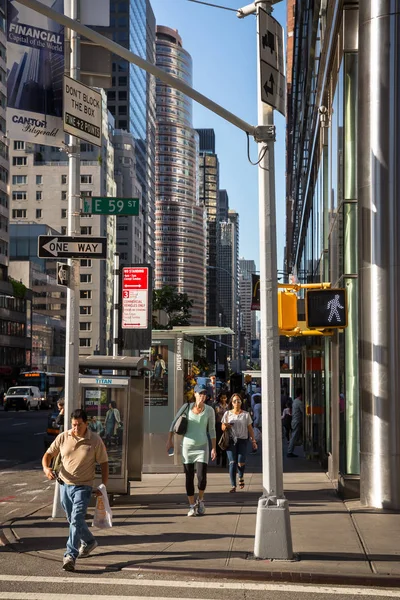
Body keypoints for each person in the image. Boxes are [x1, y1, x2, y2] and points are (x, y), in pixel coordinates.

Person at [42, 408, 109, 572]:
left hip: (83, 486)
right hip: (64, 484)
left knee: (77, 517)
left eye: (79, 425)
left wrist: (103, 485)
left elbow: (104, 463)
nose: (76, 428)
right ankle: (89, 541)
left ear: (86, 424)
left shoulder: (94, 440)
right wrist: (46, 468)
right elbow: (48, 454)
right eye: (73, 424)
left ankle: (70, 555)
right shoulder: (64, 436)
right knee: (73, 519)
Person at [166, 383, 216, 517]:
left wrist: (214, 448)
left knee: (201, 477)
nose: (203, 396)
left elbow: (211, 430)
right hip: (187, 447)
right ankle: (191, 505)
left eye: (205, 394)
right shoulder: (186, 407)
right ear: (195, 394)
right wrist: (169, 440)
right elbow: (173, 422)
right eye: (200, 393)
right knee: (189, 477)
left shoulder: (209, 410)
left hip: (202, 447)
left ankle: (201, 500)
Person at [222, 394, 257, 492]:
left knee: (241, 462)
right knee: (232, 462)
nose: (236, 403)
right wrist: (226, 425)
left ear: (241, 402)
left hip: (242, 440)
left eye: (238, 401)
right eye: (234, 401)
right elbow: (222, 428)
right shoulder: (228, 414)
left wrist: (253, 441)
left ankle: (241, 476)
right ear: (231, 403)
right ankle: (233, 485)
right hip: (231, 440)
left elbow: (250, 428)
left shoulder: (246, 414)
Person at [213, 391, 229, 467]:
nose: (223, 399)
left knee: (225, 442)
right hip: (218, 425)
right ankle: (218, 456)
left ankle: (224, 461)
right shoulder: (216, 406)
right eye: (222, 398)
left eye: (225, 398)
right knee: (218, 441)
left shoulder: (228, 406)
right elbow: (214, 416)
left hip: (225, 426)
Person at [287, 388, 303, 457]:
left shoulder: (295, 401)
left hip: (294, 420)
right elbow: (303, 411)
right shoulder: (299, 402)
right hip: (297, 421)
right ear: (301, 394)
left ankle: (290, 450)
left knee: (294, 436)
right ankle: (289, 451)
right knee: (294, 436)